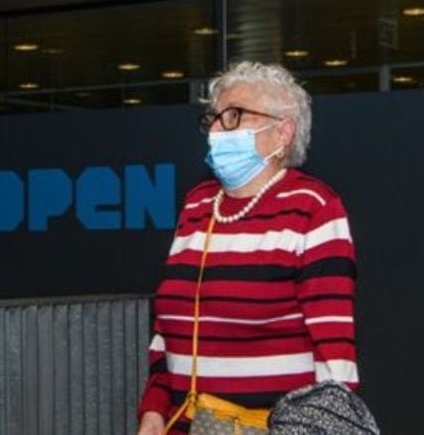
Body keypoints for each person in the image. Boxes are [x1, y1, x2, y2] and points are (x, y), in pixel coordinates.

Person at [137, 62, 359, 435]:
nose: (217, 130)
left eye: (234, 115)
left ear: (283, 132)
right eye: (214, 118)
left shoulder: (313, 207)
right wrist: (153, 412)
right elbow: (167, 331)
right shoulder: (196, 206)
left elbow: (334, 355)